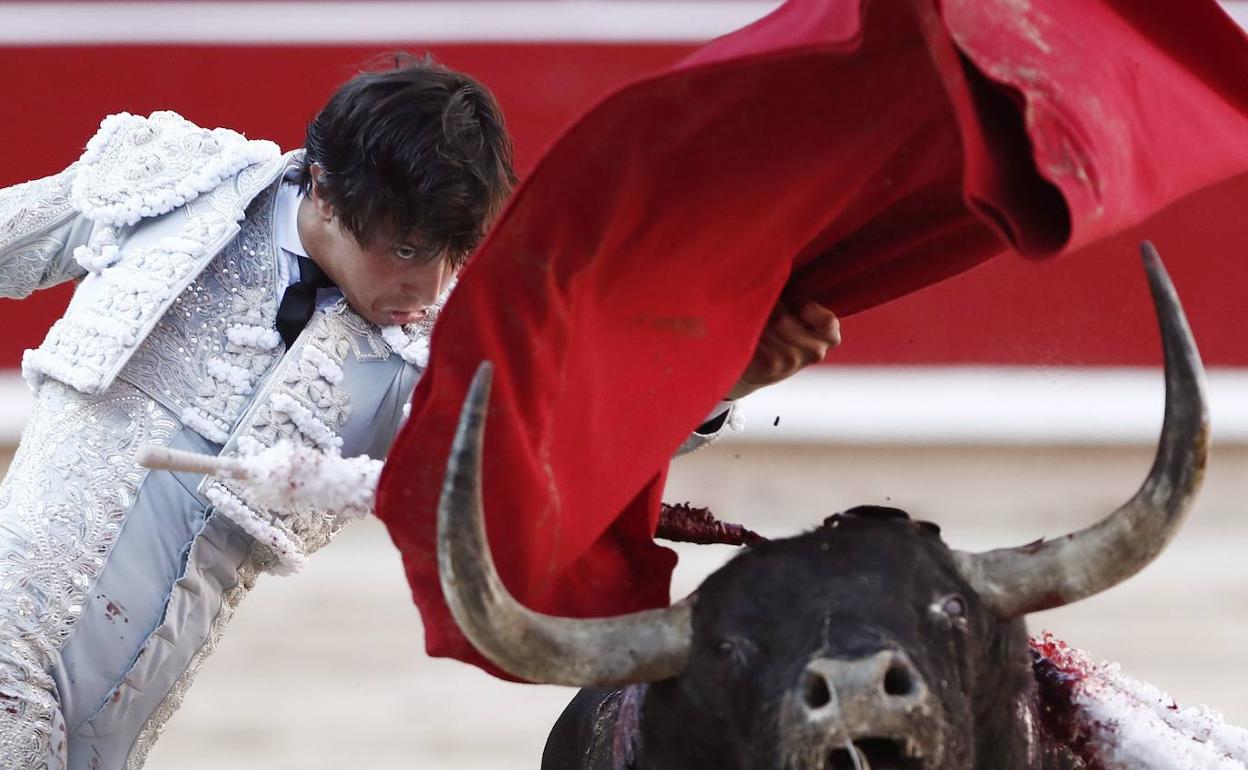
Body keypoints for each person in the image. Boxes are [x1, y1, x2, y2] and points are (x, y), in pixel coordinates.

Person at [0, 52, 839, 768]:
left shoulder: (442, 351)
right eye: (405, 249)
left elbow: (570, 442)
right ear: (324, 191)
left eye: (452, 254)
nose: (429, 285)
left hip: (110, 725)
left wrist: (726, 378)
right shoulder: (179, 186)